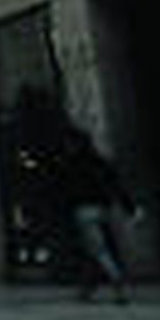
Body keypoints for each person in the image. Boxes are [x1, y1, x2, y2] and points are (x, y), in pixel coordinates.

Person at [54, 127, 136, 304]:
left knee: (98, 250)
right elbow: (116, 185)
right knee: (92, 250)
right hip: (105, 208)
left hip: (84, 210)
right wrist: (128, 206)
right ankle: (86, 290)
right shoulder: (99, 162)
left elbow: (64, 192)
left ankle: (116, 279)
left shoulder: (71, 165)